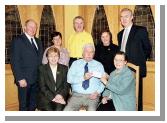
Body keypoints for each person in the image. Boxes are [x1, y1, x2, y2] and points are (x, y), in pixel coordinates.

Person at [117, 8, 152, 111]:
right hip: (122, 69)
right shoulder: (119, 34)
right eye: (122, 17)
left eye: (126, 16)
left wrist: (139, 60)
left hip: (135, 69)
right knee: (124, 95)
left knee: (136, 97)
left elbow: (148, 49)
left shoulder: (140, 30)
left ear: (132, 17)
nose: (124, 19)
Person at [10, 19, 43, 111]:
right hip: (24, 80)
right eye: (30, 26)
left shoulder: (38, 41)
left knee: (33, 105)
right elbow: (14, 61)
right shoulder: (18, 40)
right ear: (25, 28)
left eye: (35, 27)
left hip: (36, 80)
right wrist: (19, 78)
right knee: (24, 106)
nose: (33, 29)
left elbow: (39, 60)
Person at [64, 44, 105, 111]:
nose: (89, 54)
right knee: (66, 111)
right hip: (77, 96)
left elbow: (103, 82)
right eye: (86, 51)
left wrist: (97, 92)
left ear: (93, 54)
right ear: (82, 53)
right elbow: (69, 79)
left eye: (91, 52)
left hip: (93, 96)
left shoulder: (99, 65)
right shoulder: (75, 64)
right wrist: (83, 78)